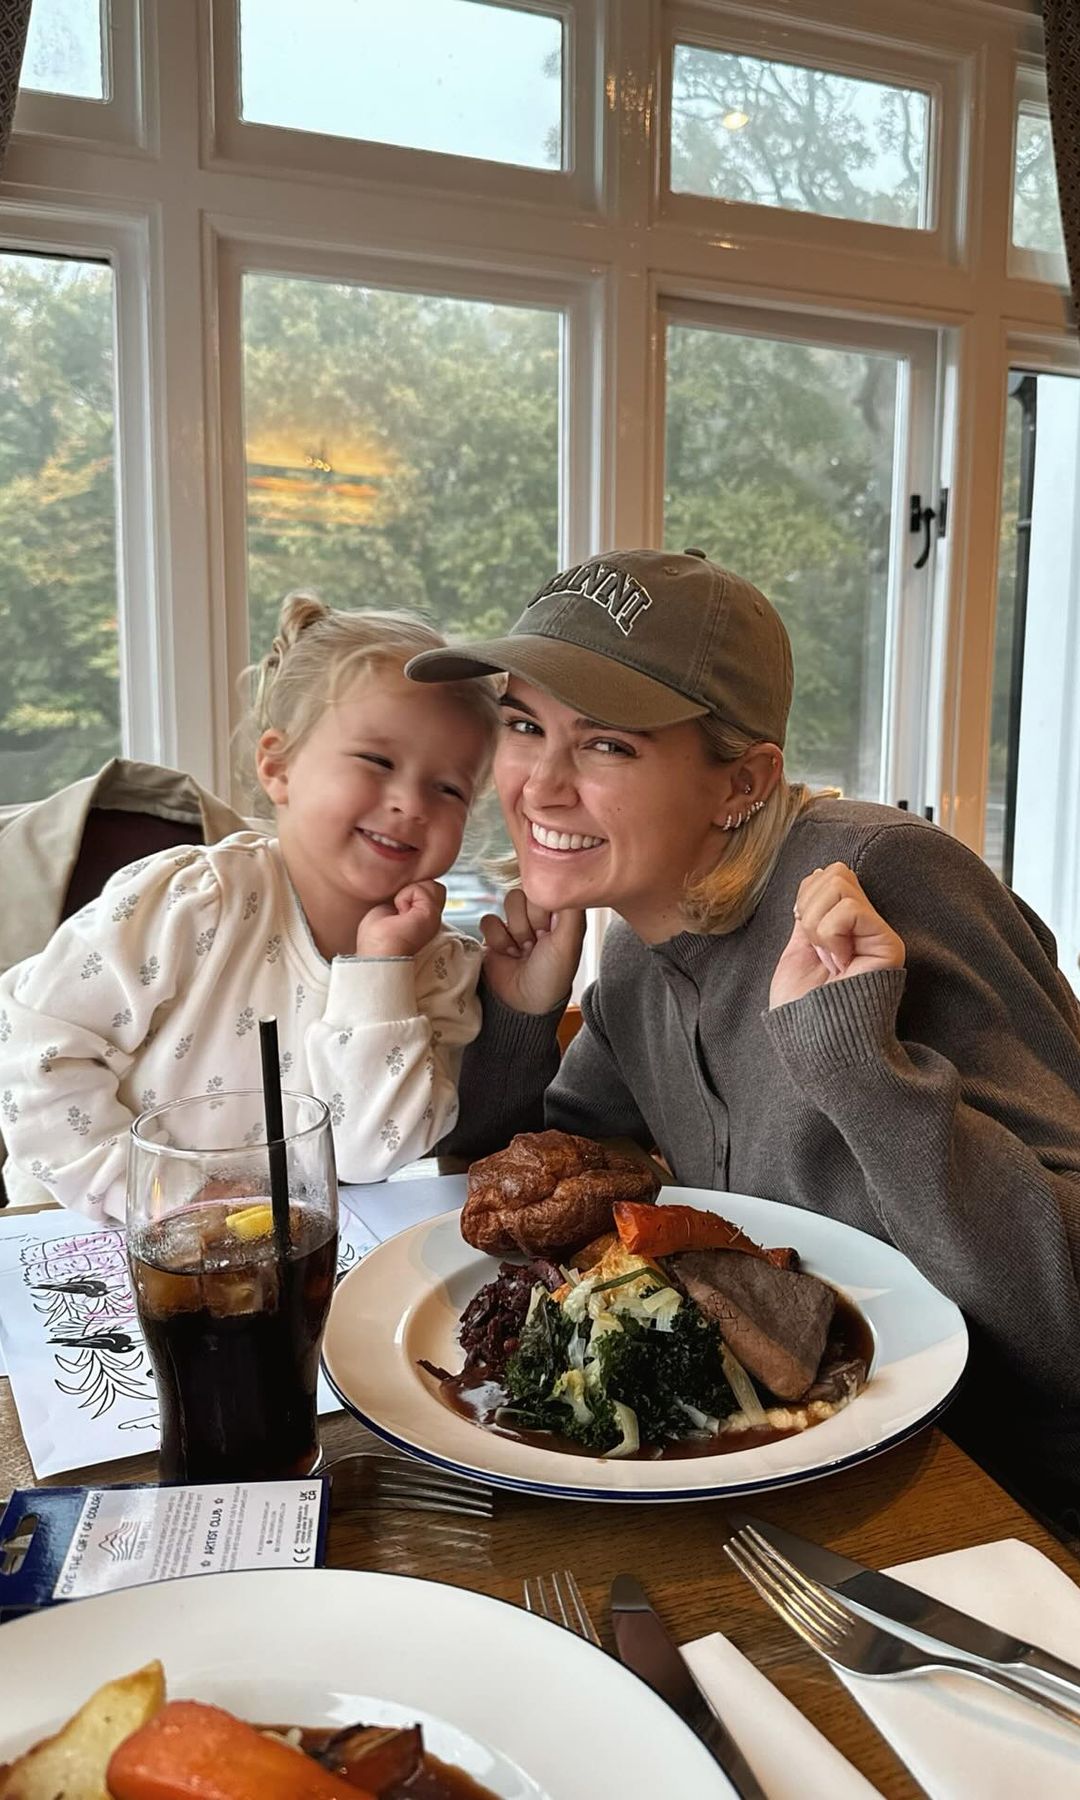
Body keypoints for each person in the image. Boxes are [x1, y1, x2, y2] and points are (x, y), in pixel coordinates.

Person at [408, 547, 1080, 1517]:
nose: (539, 786)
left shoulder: (885, 880)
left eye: (607, 745)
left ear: (744, 781)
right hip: (793, 1468)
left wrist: (861, 1066)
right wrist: (516, 1016)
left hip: (1005, 1507)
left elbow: (1067, 1330)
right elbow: (539, 1198)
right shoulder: (640, 951)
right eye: (523, 724)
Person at [0, 595, 500, 1221]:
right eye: (377, 760)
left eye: (449, 787)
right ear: (277, 766)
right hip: (85, 1233)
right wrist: (163, 1202)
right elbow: (33, 1050)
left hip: (279, 1261)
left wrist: (379, 970)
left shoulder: (436, 970)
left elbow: (368, 1155)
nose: (410, 802)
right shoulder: (193, 902)